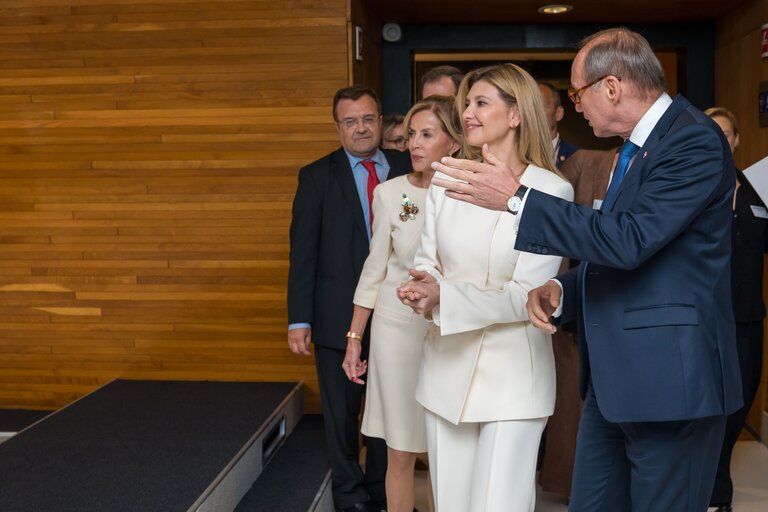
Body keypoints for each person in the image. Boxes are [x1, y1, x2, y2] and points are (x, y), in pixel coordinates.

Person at [428, 27, 743, 512]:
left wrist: (515, 197)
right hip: (613, 382)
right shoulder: (632, 149)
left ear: (611, 87)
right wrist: (563, 287)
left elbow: (632, 241)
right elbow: (622, 247)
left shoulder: (692, 141)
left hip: (669, 381)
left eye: (579, 93)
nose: (575, 106)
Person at [398, 63, 573, 511]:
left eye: (480, 103)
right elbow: (427, 262)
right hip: (443, 369)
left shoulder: (550, 191)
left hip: (513, 378)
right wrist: (422, 289)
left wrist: (446, 297)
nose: (468, 114)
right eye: (467, 104)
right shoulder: (446, 180)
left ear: (515, 115)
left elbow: (527, 295)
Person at [287, 85, 412, 512]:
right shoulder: (317, 176)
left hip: (398, 313)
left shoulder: (406, 166)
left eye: (368, 119)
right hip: (336, 313)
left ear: (381, 120)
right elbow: (304, 251)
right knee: (342, 415)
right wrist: (299, 319)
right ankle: (350, 495)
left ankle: (383, 490)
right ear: (338, 127)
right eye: (350, 121)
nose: (361, 128)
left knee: (390, 408)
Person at [342, 95, 461, 512]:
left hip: (451, 330)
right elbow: (374, 268)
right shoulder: (391, 194)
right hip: (395, 331)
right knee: (399, 450)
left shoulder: (471, 194)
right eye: (411, 134)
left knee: (447, 448)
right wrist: (356, 337)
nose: (414, 143)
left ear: (455, 143)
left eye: (427, 134)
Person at [538, 147, 618, 500]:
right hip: (574, 300)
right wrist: (558, 285)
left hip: (623, 317)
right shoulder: (585, 162)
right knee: (573, 410)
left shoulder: (670, 162)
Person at [705, 107, 767, 512]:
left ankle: (716, 486)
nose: (720, 141)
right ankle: (712, 494)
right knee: (708, 409)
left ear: (737, 140)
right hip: (705, 320)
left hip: (747, 317)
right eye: (711, 133)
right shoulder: (692, 187)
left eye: (725, 134)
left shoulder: (758, 189)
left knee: (740, 403)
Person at [538, 81, 579, 168]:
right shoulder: (515, 156)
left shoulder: (576, 156)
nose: (534, 113)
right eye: (529, 107)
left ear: (558, 113)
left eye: (540, 106)